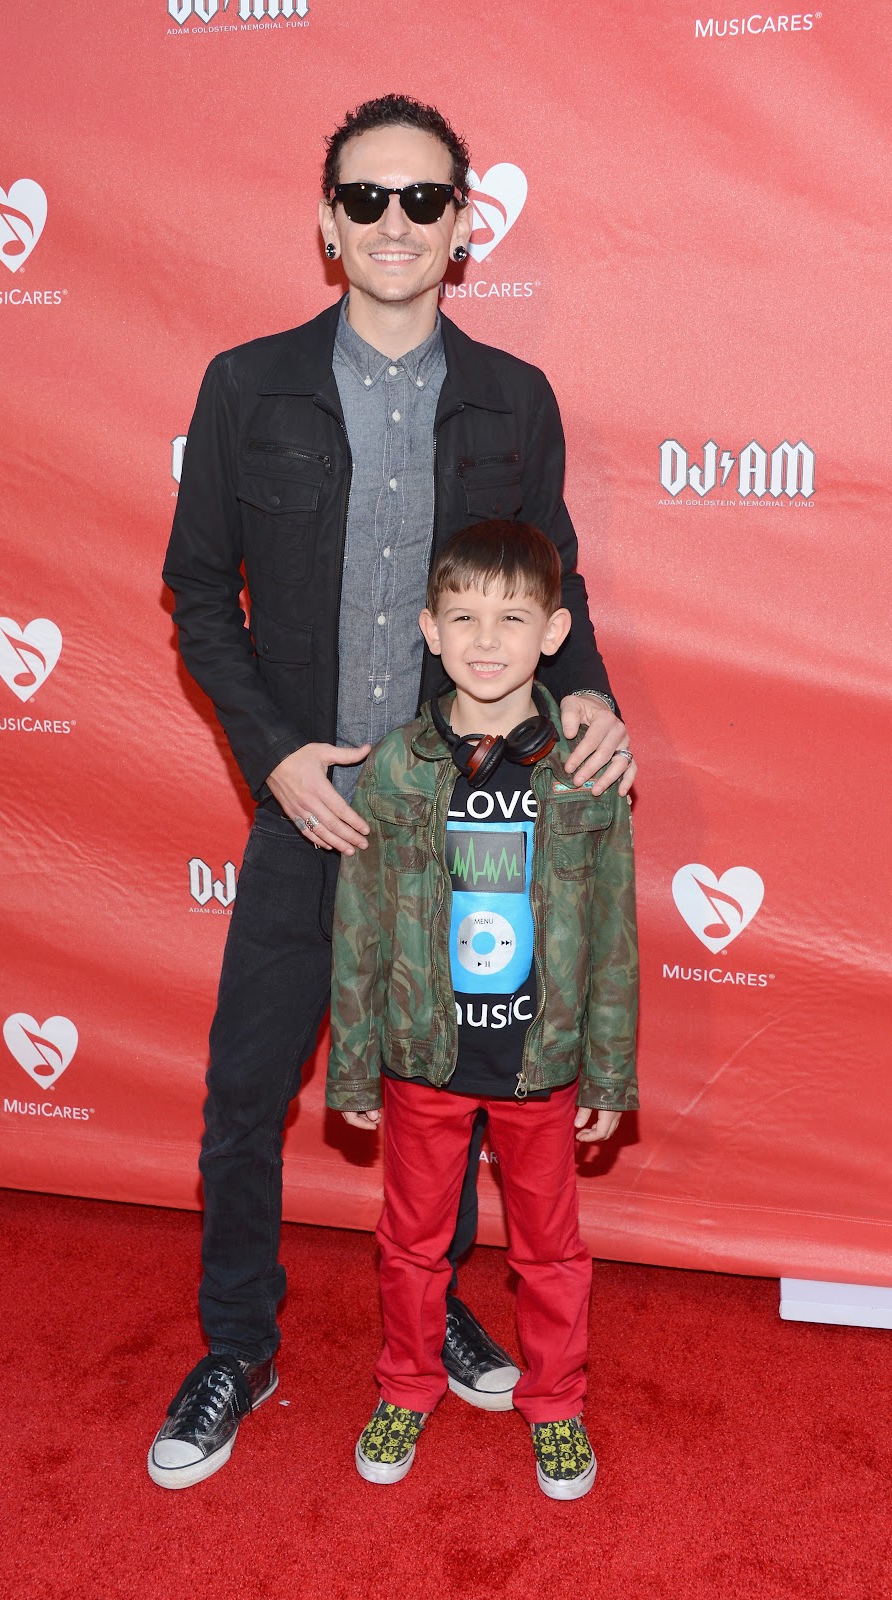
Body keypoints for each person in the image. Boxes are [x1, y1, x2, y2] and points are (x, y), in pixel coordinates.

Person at [153, 92, 636, 1490]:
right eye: (365, 198)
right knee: (248, 1090)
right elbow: (196, 593)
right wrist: (279, 759)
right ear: (326, 220)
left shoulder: (514, 401)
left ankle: (442, 1311)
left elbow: (554, 591)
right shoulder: (246, 386)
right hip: (310, 807)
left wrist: (588, 687)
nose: (393, 224)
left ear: (462, 228)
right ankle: (240, 1345)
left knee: (464, 1094)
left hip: (466, 819)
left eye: (423, 200)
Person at [327, 520, 638, 1498]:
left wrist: (608, 1067)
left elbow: (614, 932)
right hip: (423, 1059)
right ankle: (405, 1385)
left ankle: (554, 1404)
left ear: (553, 631)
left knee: (549, 1251)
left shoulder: (584, 768)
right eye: (462, 617)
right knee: (410, 1242)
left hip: (537, 1067)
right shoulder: (393, 767)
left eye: (511, 618)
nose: (486, 638)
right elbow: (361, 925)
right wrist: (351, 1065)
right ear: (427, 628)